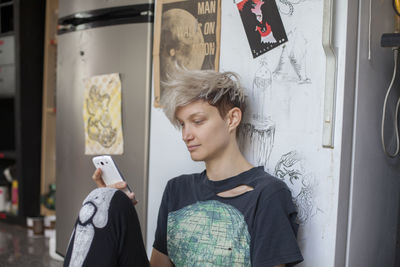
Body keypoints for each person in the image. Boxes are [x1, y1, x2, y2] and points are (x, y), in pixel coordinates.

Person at [64, 68, 304, 267]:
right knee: (104, 199)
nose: (186, 135)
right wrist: (118, 210)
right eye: (182, 125)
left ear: (232, 119)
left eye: (197, 121)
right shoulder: (177, 189)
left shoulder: (267, 194)